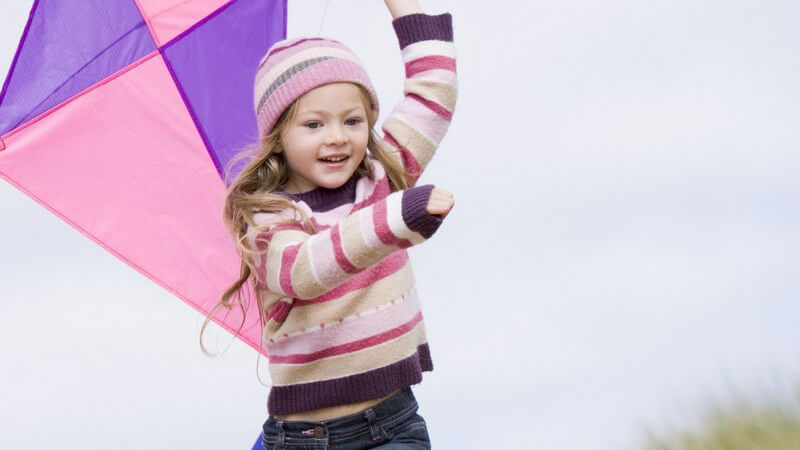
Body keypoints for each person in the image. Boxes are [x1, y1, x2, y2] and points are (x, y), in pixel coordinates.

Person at [207, 0, 457, 447]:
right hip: (304, 438)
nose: (337, 136)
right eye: (314, 124)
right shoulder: (270, 216)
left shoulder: (386, 176)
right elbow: (304, 271)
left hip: (393, 426)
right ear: (279, 137)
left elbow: (435, 91)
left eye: (353, 120)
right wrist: (396, 219)